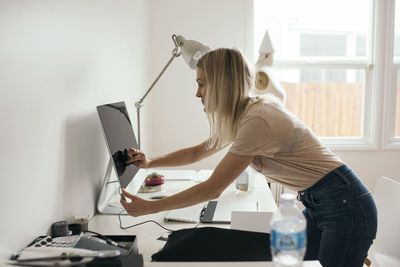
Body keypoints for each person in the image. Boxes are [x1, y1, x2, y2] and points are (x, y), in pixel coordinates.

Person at [120, 48, 377, 267]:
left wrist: (150, 207)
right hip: (325, 203)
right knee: (290, 255)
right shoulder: (244, 114)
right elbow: (200, 151)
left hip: (344, 206)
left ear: (221, 85)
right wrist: (150, 162)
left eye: (201, 83)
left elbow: (213, 188)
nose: (197, 93)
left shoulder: (257, 119)